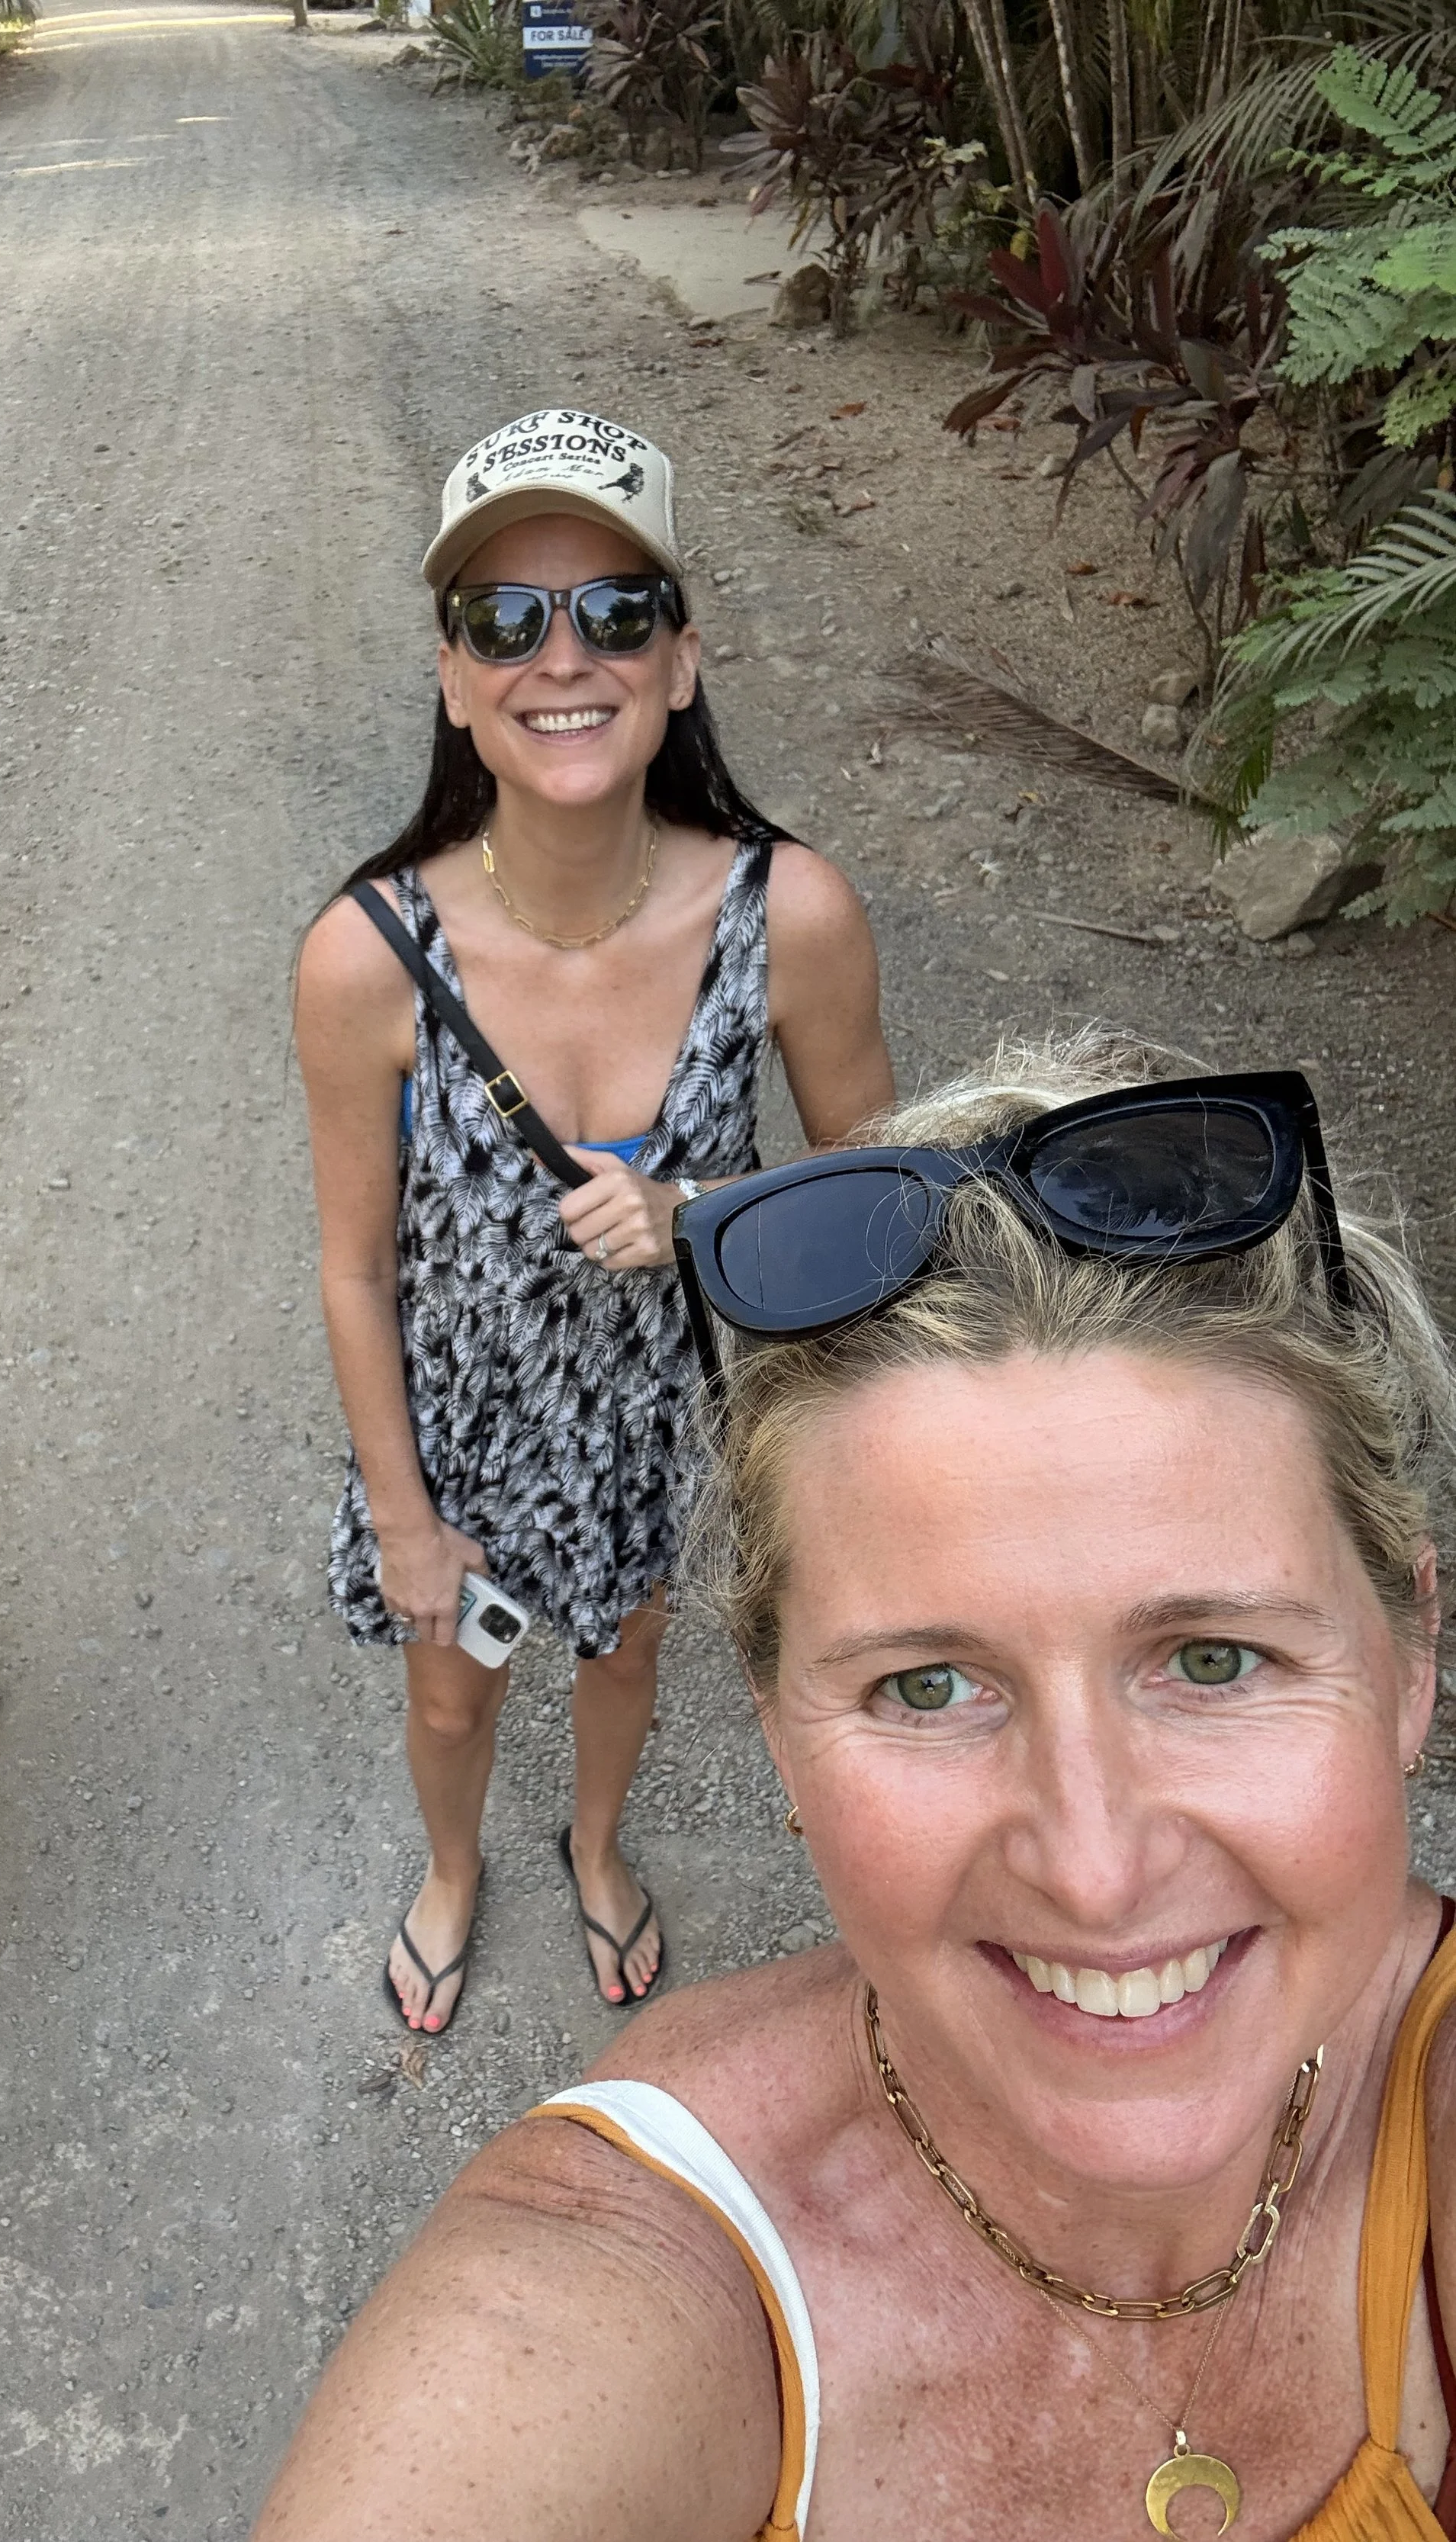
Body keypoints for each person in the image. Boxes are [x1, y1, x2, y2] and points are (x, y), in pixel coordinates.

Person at [255, 1031, 1456, 2542]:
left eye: (1209, 1660)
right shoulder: (587, 2313)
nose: (1091, 1865)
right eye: (928, 1687)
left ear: (1408, 1657)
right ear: (776, 1733)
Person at [294, 410, 892, 2034]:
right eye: (505, 618)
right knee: (448, 1679)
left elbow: (883, 1209)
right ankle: (449, 1867)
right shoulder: (366, 955)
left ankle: (597, 1842)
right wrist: (404, 1515)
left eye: (613, 612)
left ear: (680, 660)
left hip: (658, 1420)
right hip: (456, 1429)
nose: (562, 656)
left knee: (624, 1655)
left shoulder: (791, 916)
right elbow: (352, 1267)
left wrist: (696, 1205)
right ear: (450, 673)